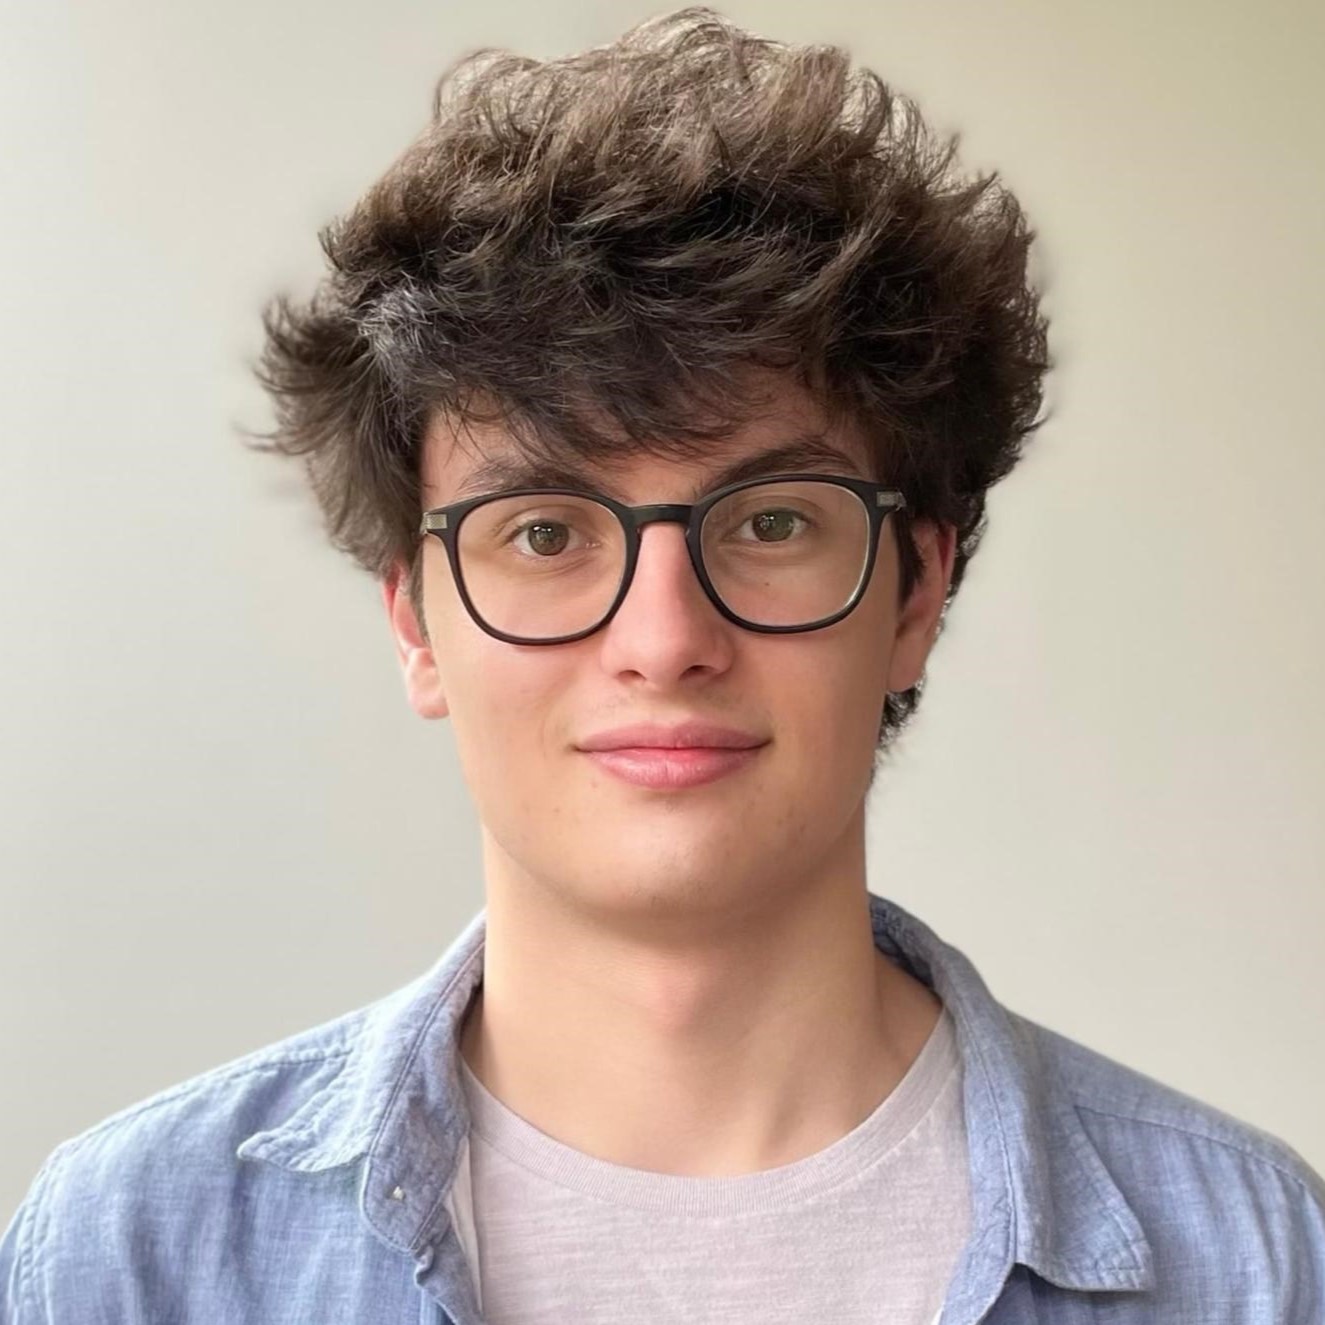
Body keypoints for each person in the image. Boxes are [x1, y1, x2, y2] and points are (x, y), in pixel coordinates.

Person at [3, 8, 1322, 1323]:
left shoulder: (1258, 1265)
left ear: (915, 593)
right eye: (543, 533)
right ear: (416, 625)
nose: (664, 640)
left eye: (771, 524)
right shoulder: (128, 1256)